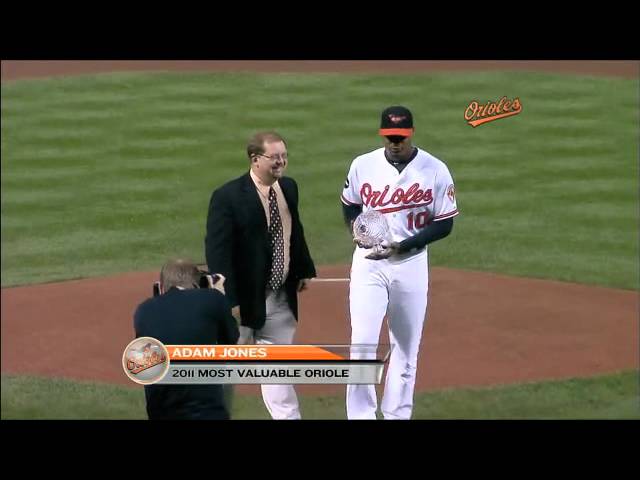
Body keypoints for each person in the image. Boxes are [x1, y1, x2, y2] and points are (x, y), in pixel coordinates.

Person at [340, 106, 459, 419]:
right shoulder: (362, 165)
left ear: (412, 133)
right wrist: (358, 231)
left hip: (411, 264)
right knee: (362, 344)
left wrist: (403, 245)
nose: (395, 142)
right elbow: (350, 206)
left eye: (401, 137)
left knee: (406, 349)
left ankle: (397, 415)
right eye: (390, 137)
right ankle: (360, 415)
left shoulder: (434, 169)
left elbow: (444, 223)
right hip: (369, 265)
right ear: (382, 134)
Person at [205, 131, 316, 420]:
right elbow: (217, 252)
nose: (281, 162)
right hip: (243, 300)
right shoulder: (227, 196)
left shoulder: (288, 188)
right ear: (255, 160)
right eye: (274, 157)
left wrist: (303, 268)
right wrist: (229, 300)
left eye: (284, 156)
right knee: (225, 372)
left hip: (279, 297)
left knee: (278, 372)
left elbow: (294, 232)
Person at [133, 258, 239, 420]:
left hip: (161, 412)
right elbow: (230, 342)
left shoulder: (143, 310)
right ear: (197, 284)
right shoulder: (213, 299)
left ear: (161, 287)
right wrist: (219, 296)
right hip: (207, 411)